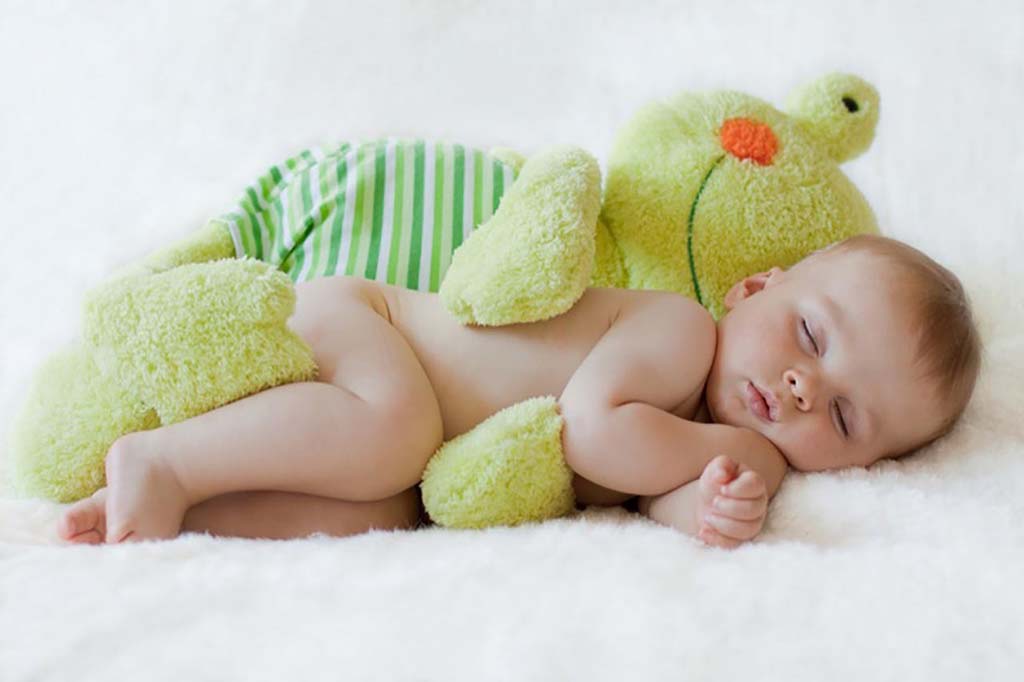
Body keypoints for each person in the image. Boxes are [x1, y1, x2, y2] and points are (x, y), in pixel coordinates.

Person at [57, 235, 981, 548]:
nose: (802, 387)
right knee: (394, 434)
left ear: (867, 464)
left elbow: (636, 495)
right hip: (367, 334)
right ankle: (165, 461)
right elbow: (591, 436)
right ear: (750, 289)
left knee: (376, 509)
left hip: (396, 450)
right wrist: (732, 457)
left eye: (847, 416)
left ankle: (167, 508)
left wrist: (703, 509)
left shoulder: (698, 438)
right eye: (811, 337)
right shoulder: (678, 328)